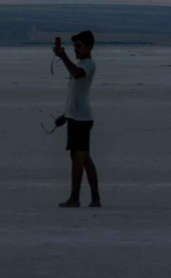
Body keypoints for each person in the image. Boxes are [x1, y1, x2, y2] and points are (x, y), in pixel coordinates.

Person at [52, 31, 101, 208]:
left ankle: (75, 198)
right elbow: (74, 95)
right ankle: (95, 198)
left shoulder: (88, 64)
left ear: (89, 47)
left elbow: (77, 74)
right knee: (85, 159)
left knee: (77, 159)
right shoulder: (81, 63)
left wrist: (63, 56)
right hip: (76, 117)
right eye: (74, 47)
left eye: (79, 46)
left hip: (81, 119)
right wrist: (64, 116)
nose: (76, 50)